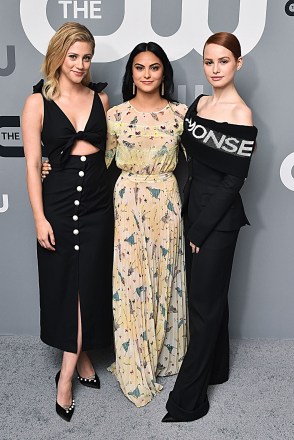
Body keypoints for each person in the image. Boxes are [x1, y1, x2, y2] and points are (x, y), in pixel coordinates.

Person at [163, 32, 258, 422]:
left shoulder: (241, 114)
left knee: (204, 305)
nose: (215, 68)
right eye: (208, 61)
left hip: (216, 223)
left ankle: (189, 399)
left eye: (223, 61)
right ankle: (218, 369)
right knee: (210, 296)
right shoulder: (199, 104)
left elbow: (232, 182)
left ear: (238, 64)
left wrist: (200, 230)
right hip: (191, 211)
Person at [22, 22, 113, 422]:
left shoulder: (102, 100)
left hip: (97, 204)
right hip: (57, 203)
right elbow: (30, 166)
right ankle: (68, 377)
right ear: (58, 55)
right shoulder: (37, 103)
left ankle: (81, 360)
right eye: (73, 56)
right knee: (65, 285)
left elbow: (107, 157)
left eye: (86, 57)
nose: (80, 64)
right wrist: (39, 217)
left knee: (89, 283)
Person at [105, 42, 188, 407]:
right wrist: (49, 167)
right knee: (131, 281)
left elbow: (204, 164)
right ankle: (134, 363)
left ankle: (164, 357)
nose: (147, 74)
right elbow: (95, 166)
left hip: (167, 202)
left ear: (163, 73)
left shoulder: (180, 115)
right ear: (132, 74)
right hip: (128, 202)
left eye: (154, 67)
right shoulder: (116, 116)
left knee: (164, 277)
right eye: (140, 67)